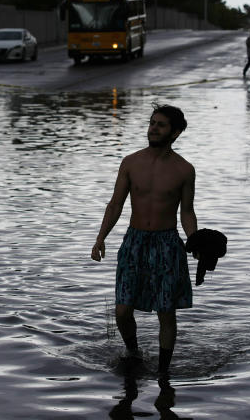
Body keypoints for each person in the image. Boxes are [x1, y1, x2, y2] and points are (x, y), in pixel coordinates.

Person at [91, 104, 197, 378]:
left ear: (175, 133)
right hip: (134, 242)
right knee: (123, 309)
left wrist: (195, 241)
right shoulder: (131, 162)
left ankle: (163, 373)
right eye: (152, 123)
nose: (153, 128)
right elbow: (115, 204)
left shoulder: (184, 170)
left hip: (167, 244)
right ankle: (134, 353)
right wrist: (100, 237)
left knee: (166, 311)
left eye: (161, 124)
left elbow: (186, 211)